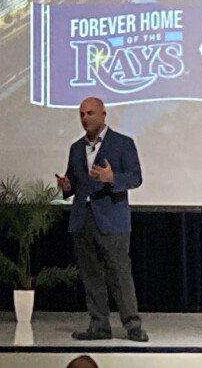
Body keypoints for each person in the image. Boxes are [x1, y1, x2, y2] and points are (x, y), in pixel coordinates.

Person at [55, 97, 148, 343]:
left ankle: (133, 325)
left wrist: (112, 177)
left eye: (91, 113)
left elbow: (136, 178)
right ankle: (99, 325)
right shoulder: (76, 148)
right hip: (83, 219)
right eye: (82, 114)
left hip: (112, 219)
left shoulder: (123, 143)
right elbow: (75, 183)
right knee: (91, 274)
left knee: (119, 274)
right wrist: (66, 186)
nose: (86, 118)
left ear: (104, 115)